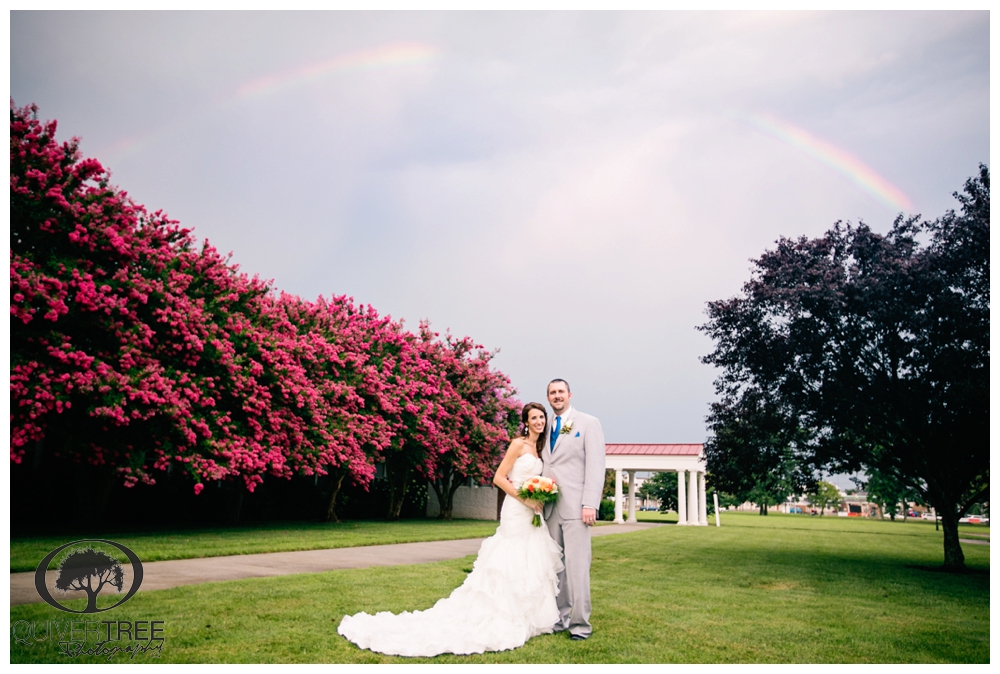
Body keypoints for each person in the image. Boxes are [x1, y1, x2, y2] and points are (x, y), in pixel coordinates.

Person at [337, 402, 564, 657]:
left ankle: (527, 617)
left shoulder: (542, 448)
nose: (538, 421)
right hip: (516, 508)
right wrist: (525, 498)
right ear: (525, 421)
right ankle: (501, 613)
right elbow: (499, 478)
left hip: (532, 511)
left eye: (541, 417)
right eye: (534, 417)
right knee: (509, 557)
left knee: (530, 558)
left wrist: (540, 494)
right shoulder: (518, 444)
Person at [541, 378, 606, 641]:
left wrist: (590, 503)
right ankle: (559, 618)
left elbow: (596, 465)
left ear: (569, 394)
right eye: (552, 393)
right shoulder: (544, 427)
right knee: (557, 569)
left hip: (577, 508)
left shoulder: (588, 423)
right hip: (549, 508)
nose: (557, 396)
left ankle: (580, 625)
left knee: (578, 568)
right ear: (548, 397)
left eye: (560, 392)